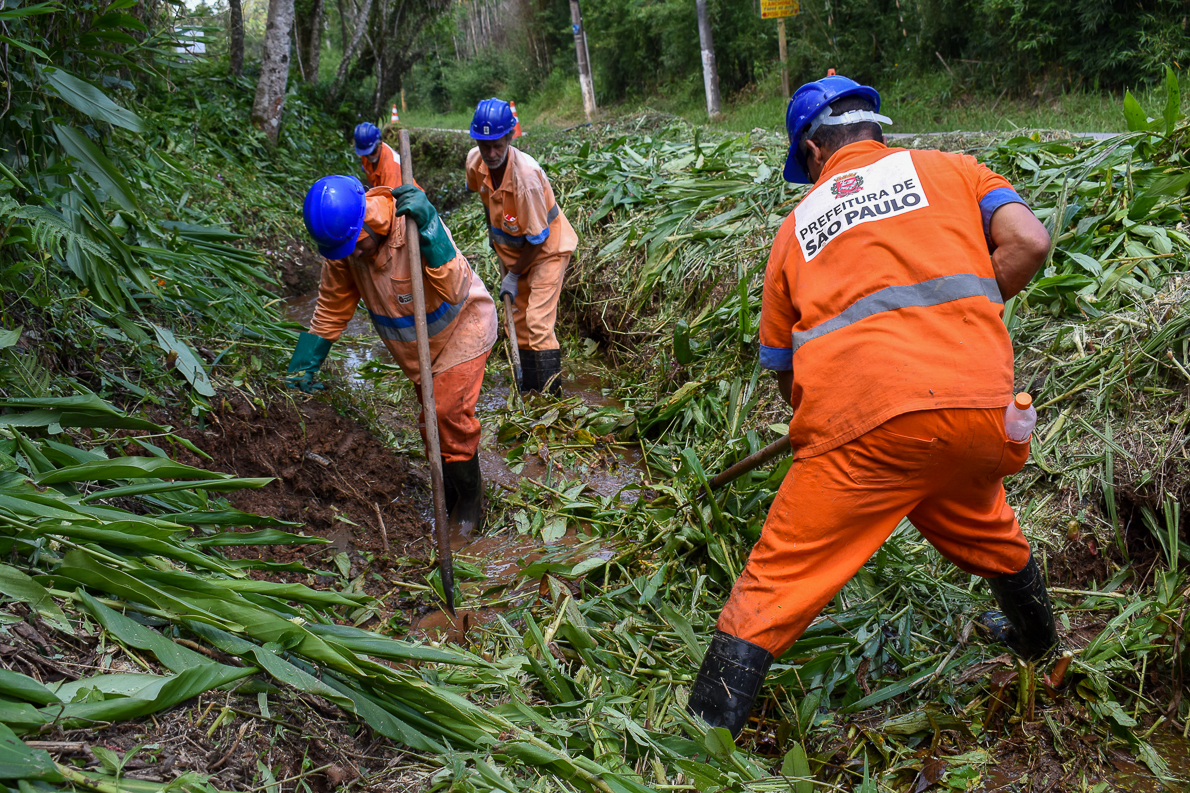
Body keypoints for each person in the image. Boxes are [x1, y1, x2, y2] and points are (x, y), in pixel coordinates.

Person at [688, 76, 1057, 738]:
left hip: (863, 434)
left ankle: (698, 740)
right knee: (988, 527)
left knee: (776, 580)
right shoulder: (955, 171)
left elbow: (783, 368)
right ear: (876, 128)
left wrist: (828, 421)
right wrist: (966, 314)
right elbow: (1029, 242)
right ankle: (1042, 650)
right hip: (980, 414)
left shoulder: (795, 228)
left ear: (810, 151)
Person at [286, 176, 497, 536]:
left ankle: (470, 507)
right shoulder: (344, 247)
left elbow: (456, 286)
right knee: (432, 427)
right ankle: (449, 494)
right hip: (420, 352)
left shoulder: (412, 224)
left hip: (464, 327)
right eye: (342, 250)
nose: (352, 255)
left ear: (367, 220)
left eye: (356, 244)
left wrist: (431, 229)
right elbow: (331, 309)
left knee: (447, 414)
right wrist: (304, 365)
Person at [465, 98, 577, 395]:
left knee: (537, 324)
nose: (491, 153)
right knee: (516, 322)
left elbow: (537, 241)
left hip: (546, 252)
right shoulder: (475, 162)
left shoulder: (526, 178)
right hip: (516, 252)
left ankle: (551, 401)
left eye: (498, 145)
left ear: (510, 136)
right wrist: (495, 235)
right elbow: (484, 197)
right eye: (484, 145)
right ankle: (528, 390)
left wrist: (513, 275)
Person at [354, 122, 402, 189]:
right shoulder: (366, 153)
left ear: (380, 143)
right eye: (365, 154)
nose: (369, 157)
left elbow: (390, 198)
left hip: (403, 197)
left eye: (372, 152)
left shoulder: (390, 168)